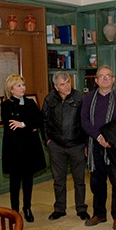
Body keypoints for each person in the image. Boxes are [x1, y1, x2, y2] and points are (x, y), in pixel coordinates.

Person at [81, 65, 116, 230]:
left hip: (114, 147)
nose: (105, 79)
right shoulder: (88, 98)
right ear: (96, 80)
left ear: (113, 79)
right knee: (97, 183)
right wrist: (99, 137)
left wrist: (110, 139)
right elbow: (84, 121)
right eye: (101, 76)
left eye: (108, 76)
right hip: (95, 145)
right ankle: (99, 214)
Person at [42, 71, 90, 221]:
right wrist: (47, 140)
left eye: (68, 82)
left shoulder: (80, 97)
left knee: (79, 180)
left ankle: (81, 208)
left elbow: (86, 122)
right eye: (62, 84)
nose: (67, 86)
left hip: (76, 145)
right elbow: (44, 122)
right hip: (56, 146)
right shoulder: (50, 99)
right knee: (59, 180)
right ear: (56, 87)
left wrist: (86, 144)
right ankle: (59, 209)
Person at [1, 74, 46, 223]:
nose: (23, 88)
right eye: (19, 85)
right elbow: (11, 127)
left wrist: (23, 124)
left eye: (23, 85)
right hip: (13, 150)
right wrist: (29, 126)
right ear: (11, 89)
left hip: (29, 149)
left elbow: (39, 121)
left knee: (28, 180)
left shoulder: (30, 102)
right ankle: (14, 209)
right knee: (14, 181)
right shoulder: (5, 104)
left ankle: (27, 207)